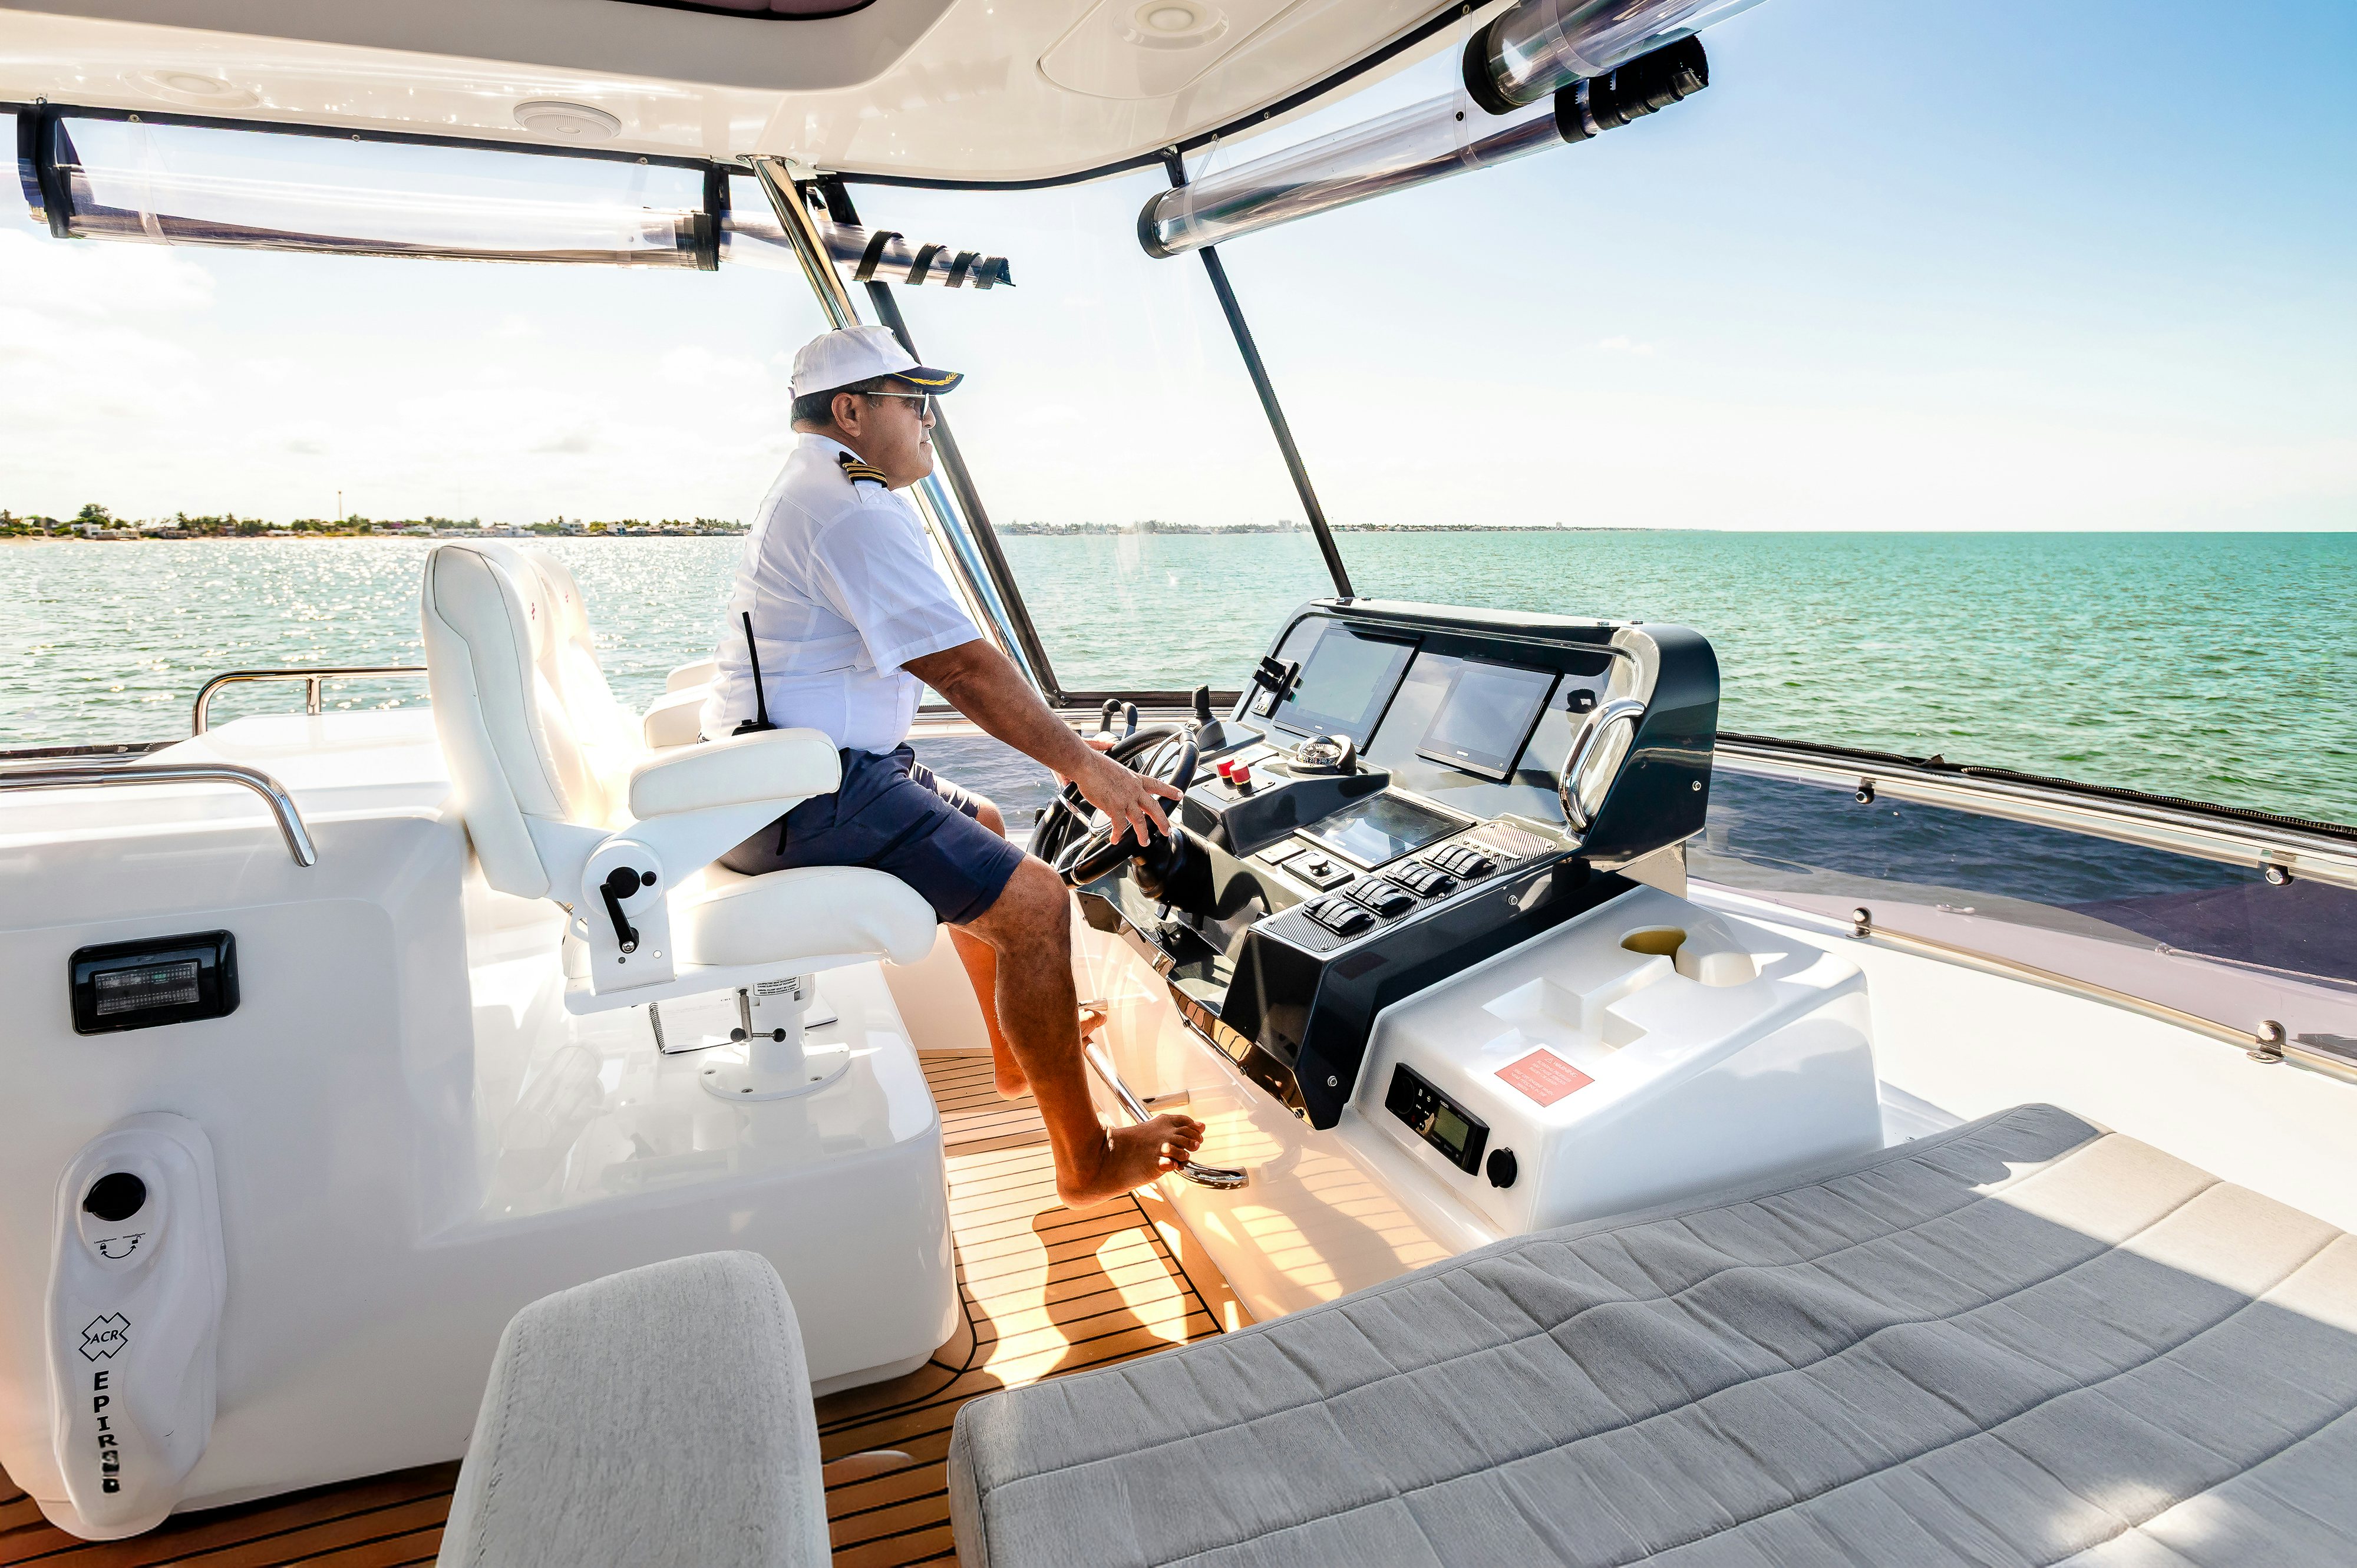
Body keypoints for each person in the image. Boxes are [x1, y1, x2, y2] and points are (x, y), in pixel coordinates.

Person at [704, 325, 1206, 1207]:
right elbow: (963, 668)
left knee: (982, 822)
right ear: (852, 411)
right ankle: (1084, 1161)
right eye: (914, 402)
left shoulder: (826, 487)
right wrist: (1089, 767)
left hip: (796, 776)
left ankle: (1017, 1055)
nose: (930, 420)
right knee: (1039, 903)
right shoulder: (847, 506)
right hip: (803, 792)